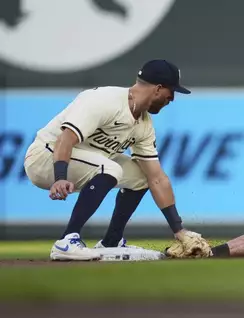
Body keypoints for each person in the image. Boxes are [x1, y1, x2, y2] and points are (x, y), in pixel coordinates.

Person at [24, 59, 210, 261]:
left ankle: (111, 241)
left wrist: (179, 231)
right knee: (110, 168)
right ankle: (66, 241)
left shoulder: (144, 125)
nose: (172, 98)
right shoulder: (105, 100)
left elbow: (157, 178)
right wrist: (60, 176)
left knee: (141, 176)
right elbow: (65, 139)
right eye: (171, 92)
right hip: (45, 158)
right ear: (158, 88)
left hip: (84, 162)